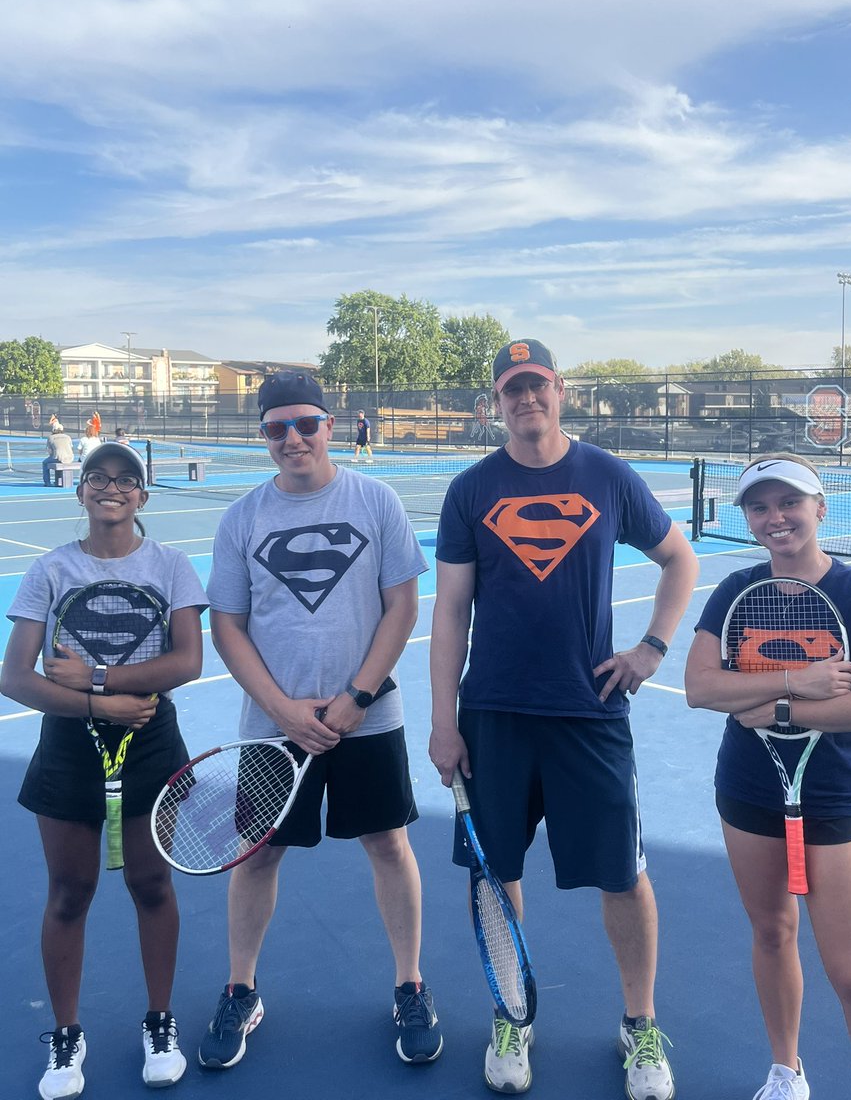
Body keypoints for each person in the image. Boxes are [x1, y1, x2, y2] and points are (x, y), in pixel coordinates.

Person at [429, 338, 698, 1099]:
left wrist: (651, 647)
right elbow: (450, 611)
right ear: (496, 403)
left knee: (624, 876)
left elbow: (680, 560)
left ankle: (640, 1024)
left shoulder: (607, 475)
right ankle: (513, 1013)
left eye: (537, 385)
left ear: (561, 391)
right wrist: (444, 721)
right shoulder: (471, 489)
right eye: (511, 389)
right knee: (496, 875)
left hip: (589, 713)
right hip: (493, 716)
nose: (526, 399)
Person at [198, 370, 442, 1072]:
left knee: (388, 844)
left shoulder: (376, 500)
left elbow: (402, 606)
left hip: (369, 720)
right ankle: (241, 990)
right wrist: (282, 711)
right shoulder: (242, 518)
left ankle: (410, 985)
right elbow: (228, 626)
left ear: (331, 426)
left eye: (306, 424)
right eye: (277, 428)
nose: (293, 438)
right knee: (258, 856)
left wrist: (355, 698)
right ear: (264, 435)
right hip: (274, 728)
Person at [684, 453, 851, 1100]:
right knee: (772, 933)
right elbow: (700, 688)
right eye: (760, 507)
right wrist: (797, 680)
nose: (775, 517)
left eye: (789, 502)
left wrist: (779, 709)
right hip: (748, 792)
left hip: (835, 799)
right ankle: (786, 1071)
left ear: (820, 508)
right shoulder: (735, 590)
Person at [0, 441, 207, 1098]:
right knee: (69, 893)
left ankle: (160, 1022)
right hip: (68, 749)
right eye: (98, 476)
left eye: (125, 479)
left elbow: (187, 662)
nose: (110, 487)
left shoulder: (172, 565)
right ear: (80, 489)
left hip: (150, 744)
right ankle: (66, 1035)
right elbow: (15, 677)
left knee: (151, 885)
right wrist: (98, 706)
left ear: (141, 495)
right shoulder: (50, 570)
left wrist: (98, 680)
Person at [42, 422, 75, 486]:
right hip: (69, 457)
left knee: (45, 463)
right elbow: (71, 447)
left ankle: (47, 482)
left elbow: (49, 451)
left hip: (58, 457)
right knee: (59, 458)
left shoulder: (51, 437)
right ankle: (58, 481)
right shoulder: (68, 437)